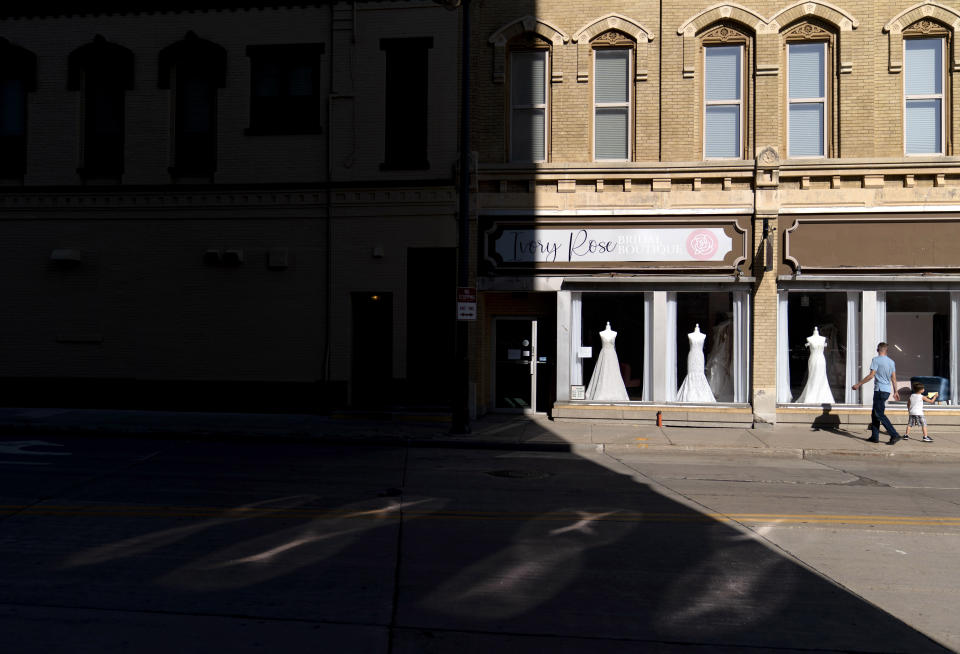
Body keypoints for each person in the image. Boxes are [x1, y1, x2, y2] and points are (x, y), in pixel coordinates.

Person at [852, 342, 902, 445]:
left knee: (879, 414)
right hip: (886, 391)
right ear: (886, 350)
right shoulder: (891, 362)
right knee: (875, 414)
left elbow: (871, 376)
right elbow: (893, 378)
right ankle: (875, 437)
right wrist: (896, 391)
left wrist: (858, 384)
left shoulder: (876, 360)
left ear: (877, 350)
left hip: (879, 390)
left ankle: (894, 434)